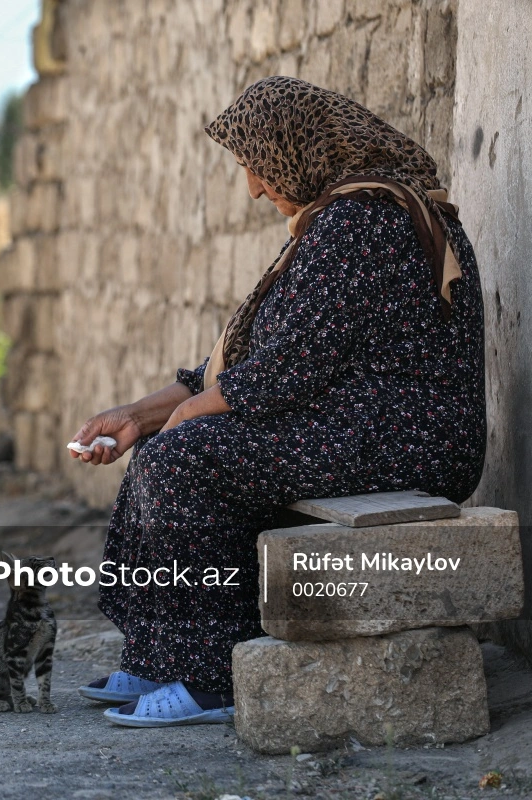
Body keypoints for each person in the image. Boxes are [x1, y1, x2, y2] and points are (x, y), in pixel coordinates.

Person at [69, 77, 486, 728]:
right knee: (166, 447)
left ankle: (214, 677)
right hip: (356, 427)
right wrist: (138, 417)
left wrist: (182, 421)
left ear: (298, 150)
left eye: (257, 168)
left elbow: (291, 366)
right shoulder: (338, 216)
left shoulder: (364, 220)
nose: (255, 190)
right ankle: (159, 654)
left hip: (411, 439)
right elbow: (247, 360)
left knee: (185, 459)